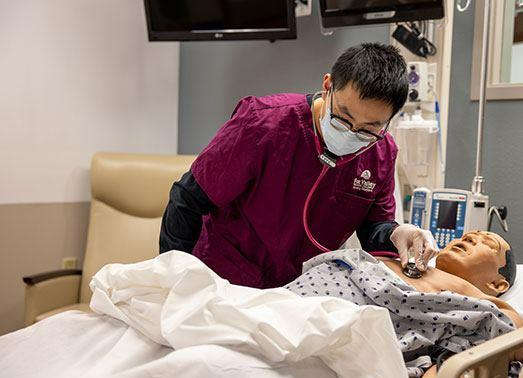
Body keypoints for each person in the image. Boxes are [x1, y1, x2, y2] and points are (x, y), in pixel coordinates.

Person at [159, 43, 438, 289]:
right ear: (328, 85)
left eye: (369, 127)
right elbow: (187, 200)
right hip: (222, 279)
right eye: (343, 117)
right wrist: (175, 282)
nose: (352, 132)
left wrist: (397, 233)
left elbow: (372, 230)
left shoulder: (381, 153)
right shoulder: (262, 124)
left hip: (299, 291)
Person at [284, 230, 523, 378]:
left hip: (346, 318)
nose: (469, 237)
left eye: (487, 243)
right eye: (466, 236)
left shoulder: (482, 305)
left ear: (498, 285)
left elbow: (516, 335)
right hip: (300, 295)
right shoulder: (404, 259)